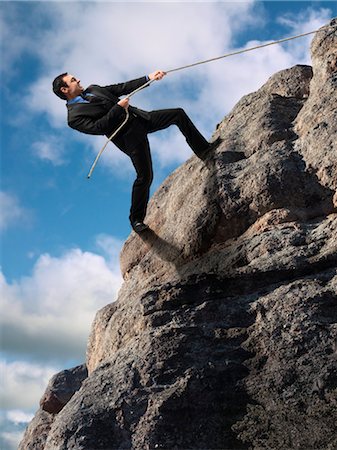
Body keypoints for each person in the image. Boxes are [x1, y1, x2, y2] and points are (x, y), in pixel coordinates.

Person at [52, 70, 215, 233]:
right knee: (145, 176)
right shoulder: (74, 118)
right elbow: (99, 127)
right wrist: (117, 108)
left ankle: (203, 150)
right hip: (129, 138)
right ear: (65, 90)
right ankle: (136, 220)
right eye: (73, 80)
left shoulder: (94, 88)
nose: (78, 79)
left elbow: (122, 87)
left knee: (177, 114)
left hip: (142, 118)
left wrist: (149, 78)